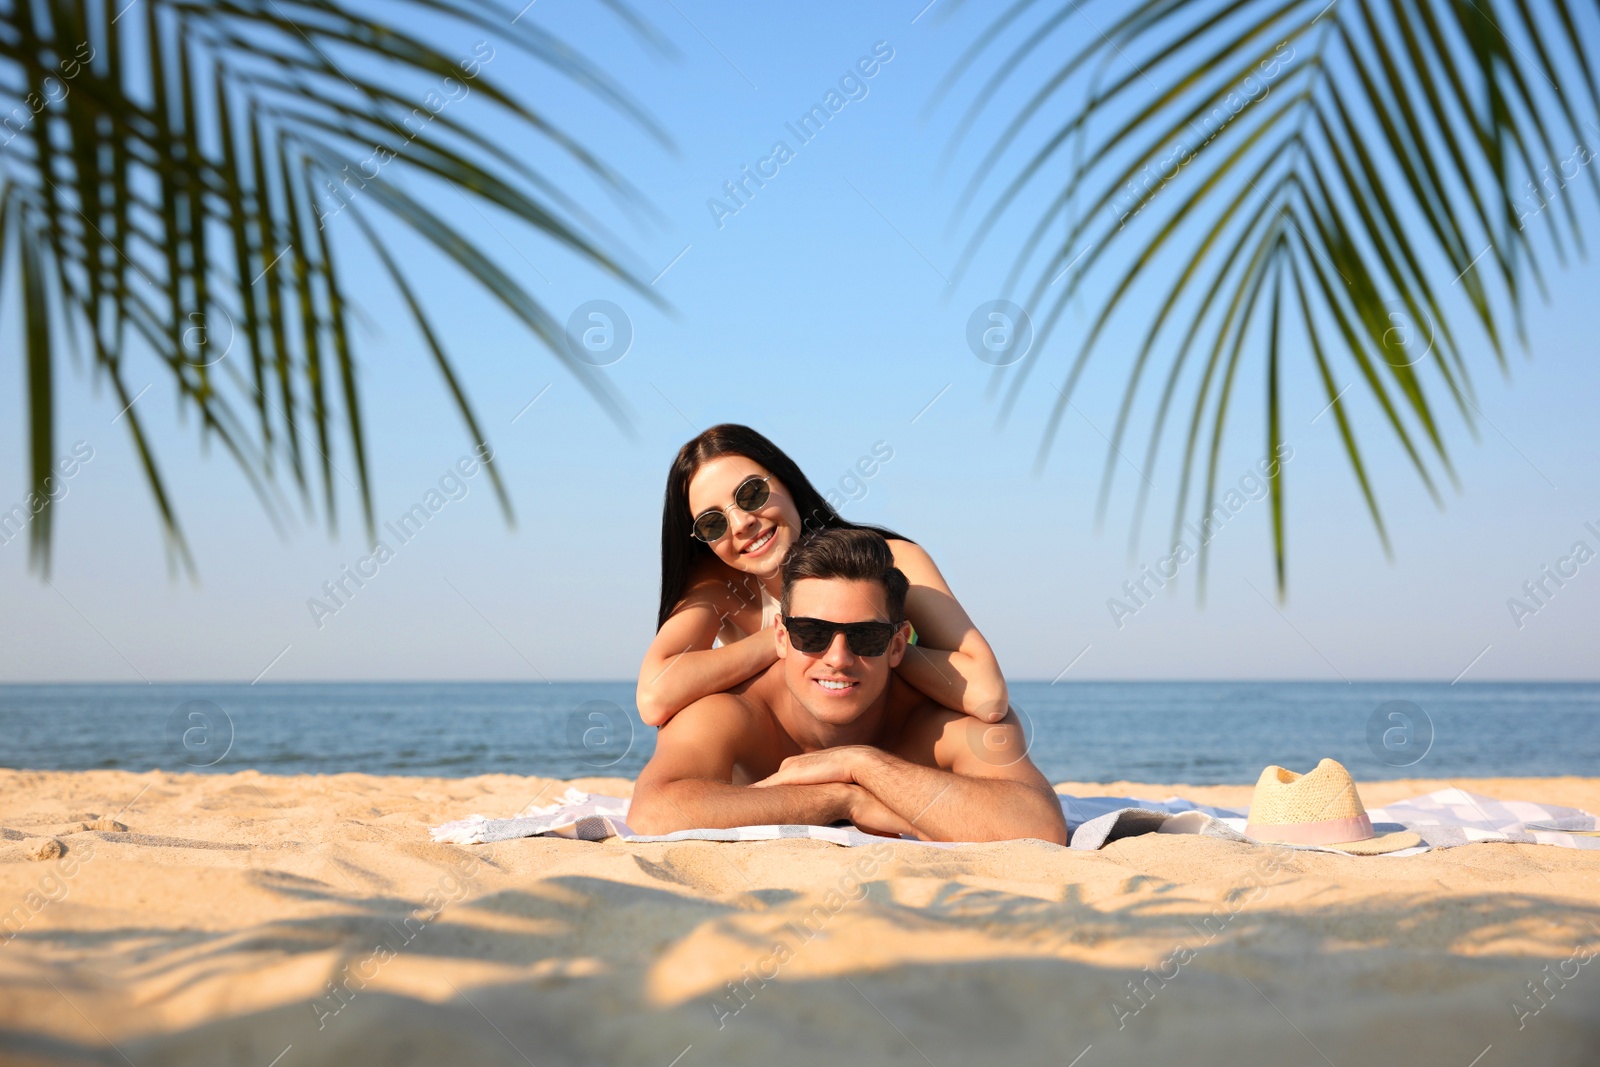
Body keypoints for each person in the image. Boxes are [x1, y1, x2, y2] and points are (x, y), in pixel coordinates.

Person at [627, 528, 1067, 844]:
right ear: (781, 637)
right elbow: (654, 811)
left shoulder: (940, 717)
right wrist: (840, 799)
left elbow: (1039, 825)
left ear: (898, 646)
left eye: (866, 637)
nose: (838, 658)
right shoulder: (732, 708)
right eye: (812, 634)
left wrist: (861, 764)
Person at [636, 424, 1007, 729]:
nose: (741, 523)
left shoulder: (892, 561)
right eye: (712, 522)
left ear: (786, 482)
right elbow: (655, 698)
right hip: (788, 754)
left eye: (751, 494)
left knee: (999, 731)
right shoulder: (718, 587)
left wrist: (874, 645)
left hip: (893, 746)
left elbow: (988, 696)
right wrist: (794, 637)